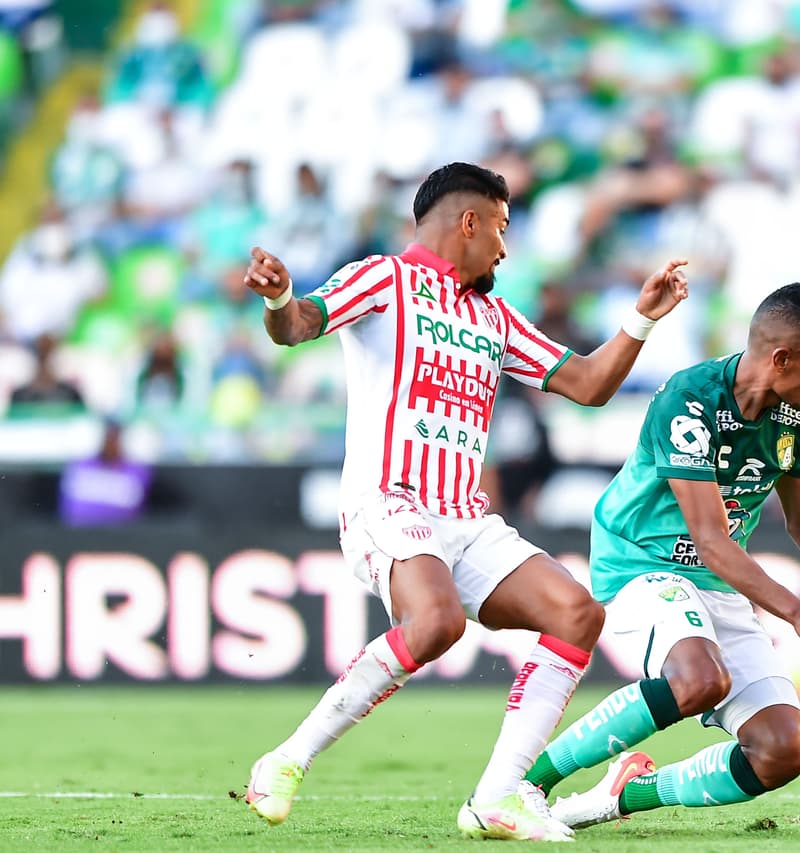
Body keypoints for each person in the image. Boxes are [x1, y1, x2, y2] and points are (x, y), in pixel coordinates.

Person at [241, 161, 689, 841]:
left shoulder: (492, 315)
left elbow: (590, 382)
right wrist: (278, 301)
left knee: (576, 613)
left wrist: (641, 318)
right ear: (469, 222)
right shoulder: (383, 278)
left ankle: (498, 795)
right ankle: (287, 756)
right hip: (386, 500)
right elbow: (301, 324)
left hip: (463, 517)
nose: (506, 248)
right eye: (502, 229)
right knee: (438, 620)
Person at [522, 283, 800, 829]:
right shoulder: (689, 400)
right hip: (639, 563)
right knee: (699, 679)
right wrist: (799, 613)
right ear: (781, 358)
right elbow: (711, 538)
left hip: (715, 582)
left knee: (781, 751)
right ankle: (526, 784)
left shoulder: (794, 421)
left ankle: (626, 794)